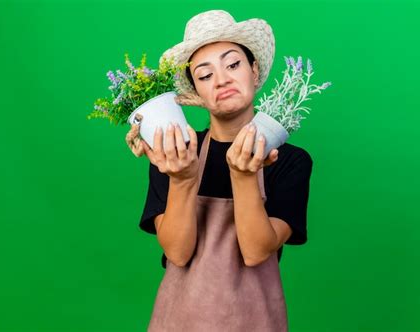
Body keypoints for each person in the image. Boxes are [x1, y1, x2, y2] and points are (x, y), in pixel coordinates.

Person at [125, 10, 313, 331]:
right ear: (196, 92)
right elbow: (177, 253)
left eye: (233, 64)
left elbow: (255, 252)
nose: (222, 79)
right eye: (205, 74)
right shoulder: (174, 155)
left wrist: (244, 175)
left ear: (254, 71)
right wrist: (182, 178)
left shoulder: (288, 160)